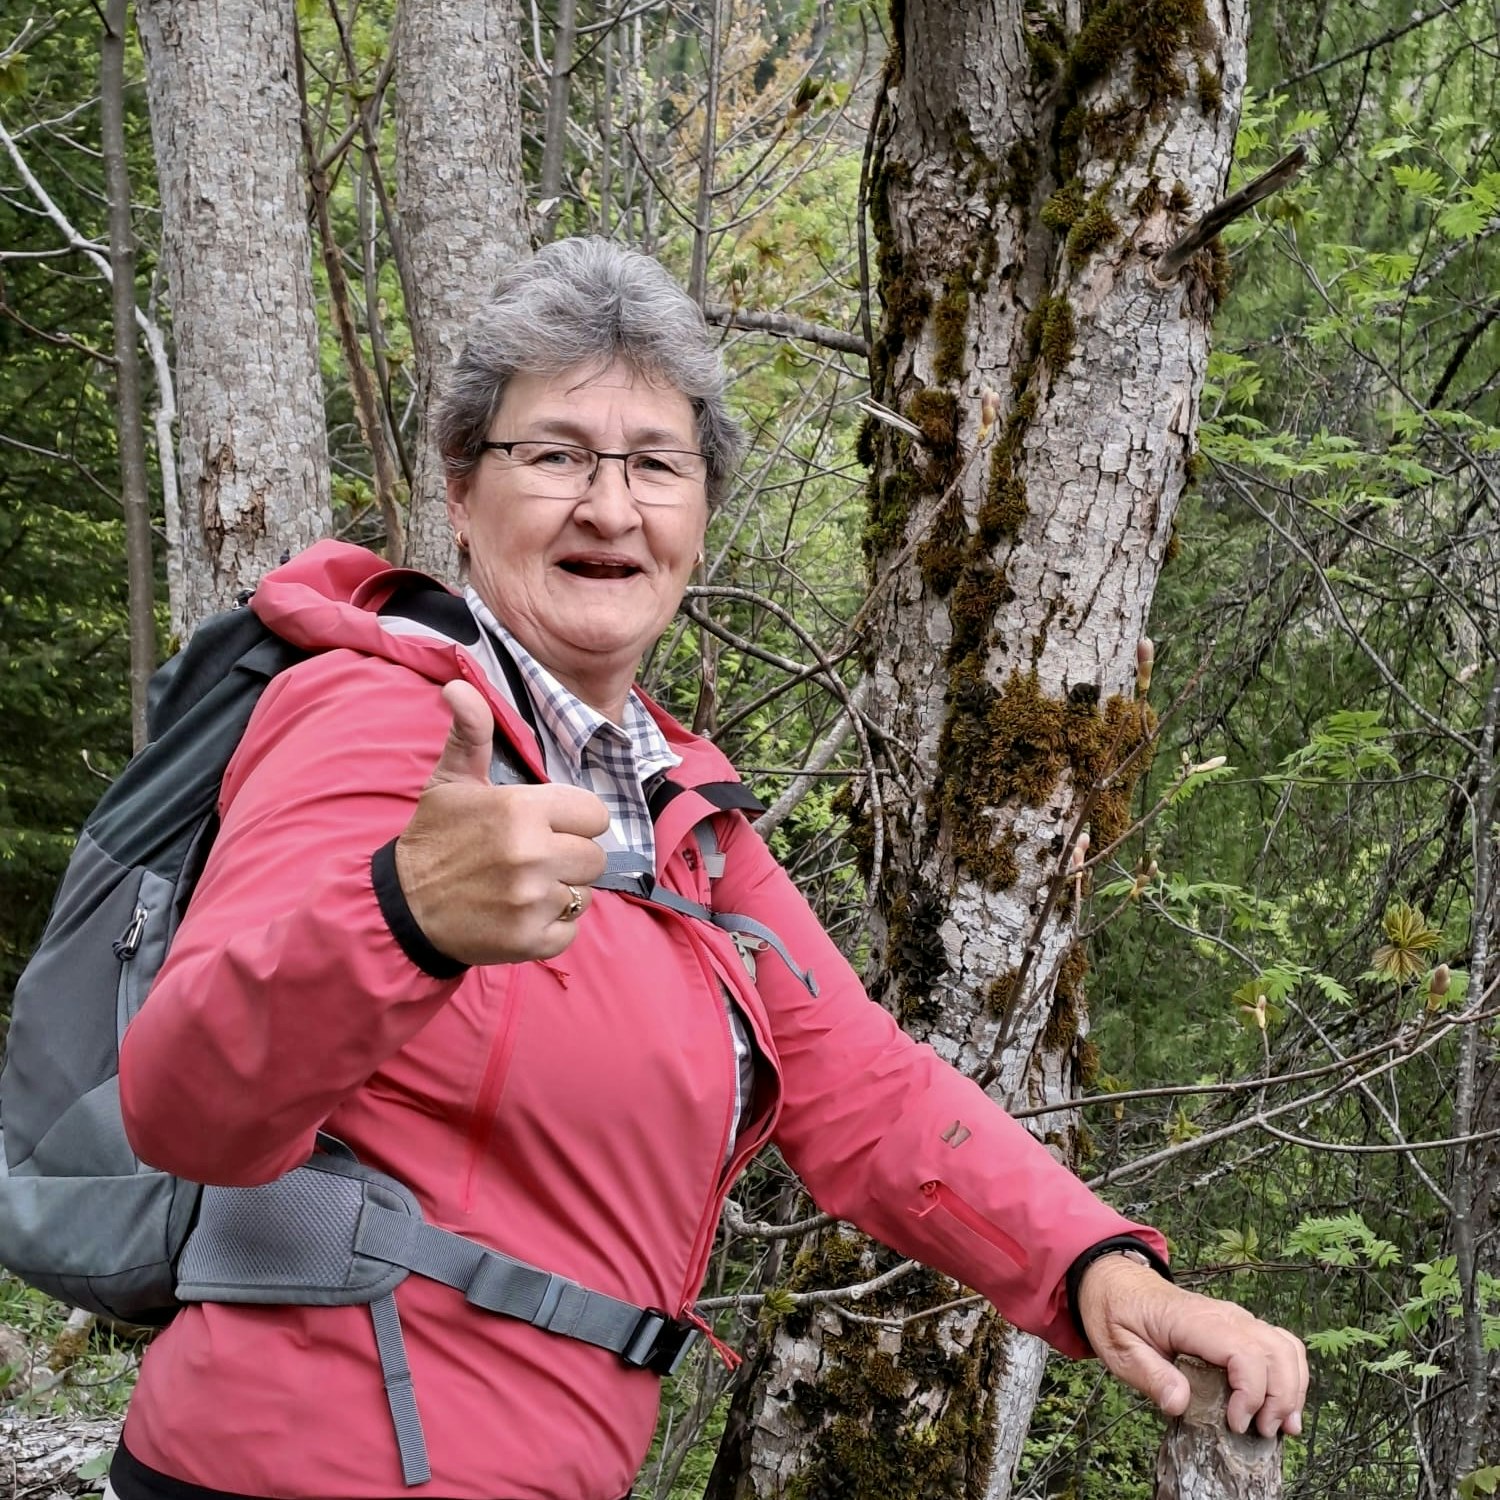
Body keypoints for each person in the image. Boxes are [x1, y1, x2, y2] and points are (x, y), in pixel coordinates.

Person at [105, 237, 1306, 1500]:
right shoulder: (377, 717)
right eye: (556, 453)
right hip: (305, 1467)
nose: (610, 508)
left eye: (655, 466)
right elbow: (185, 1105)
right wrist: (401, 917)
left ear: (700, 516)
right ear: (461, 491)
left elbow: (866, 1090)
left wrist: (1096, 1272)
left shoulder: (675, 802)